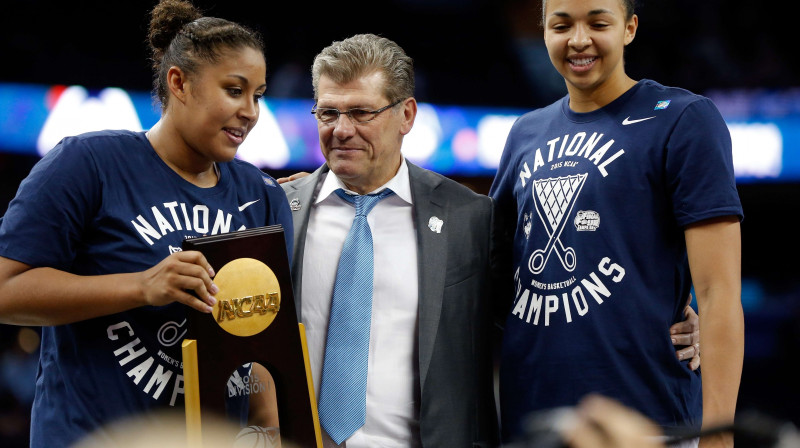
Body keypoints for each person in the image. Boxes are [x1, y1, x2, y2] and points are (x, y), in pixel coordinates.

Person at [0, 0, 290, 446]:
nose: (250, 110)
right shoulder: (87, 164)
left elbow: (260, 347)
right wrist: (142, 286)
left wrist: (270, 430)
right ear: (180, 82)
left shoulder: (263, 195)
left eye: (259, 94)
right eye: (235, 90)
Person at [489, 0, 744, 447]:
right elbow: (491, 277)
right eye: (562, 24)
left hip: (648, 424)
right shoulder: (525, 133)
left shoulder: (683, 119)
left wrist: (718, 435)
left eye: (598, 22)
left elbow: (718, 292)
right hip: (533, 425)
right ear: (543, 31)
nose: (579, 39)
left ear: (629, 28)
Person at [280, 34, 499, 447]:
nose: (342, 130)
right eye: (328, 113)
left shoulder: (469, 217)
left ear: (407, 115)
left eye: (361, 112)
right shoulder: (278, 210)